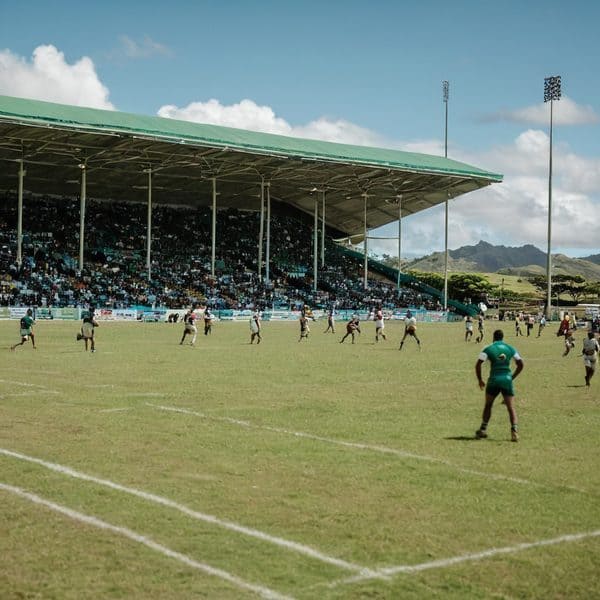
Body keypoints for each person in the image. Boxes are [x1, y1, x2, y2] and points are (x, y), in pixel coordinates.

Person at [475, 329, 523, 442]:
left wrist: (480, 380)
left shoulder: (488, 348)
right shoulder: (510, 348)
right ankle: (514, 431)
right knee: (510, 407)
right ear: (503, 337)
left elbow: (478, 364)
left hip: (494, 380)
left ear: (493, 337)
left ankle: (483, 429)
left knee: (488, 405)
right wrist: (512, 377)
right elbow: (521, 364)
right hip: (506, 379)